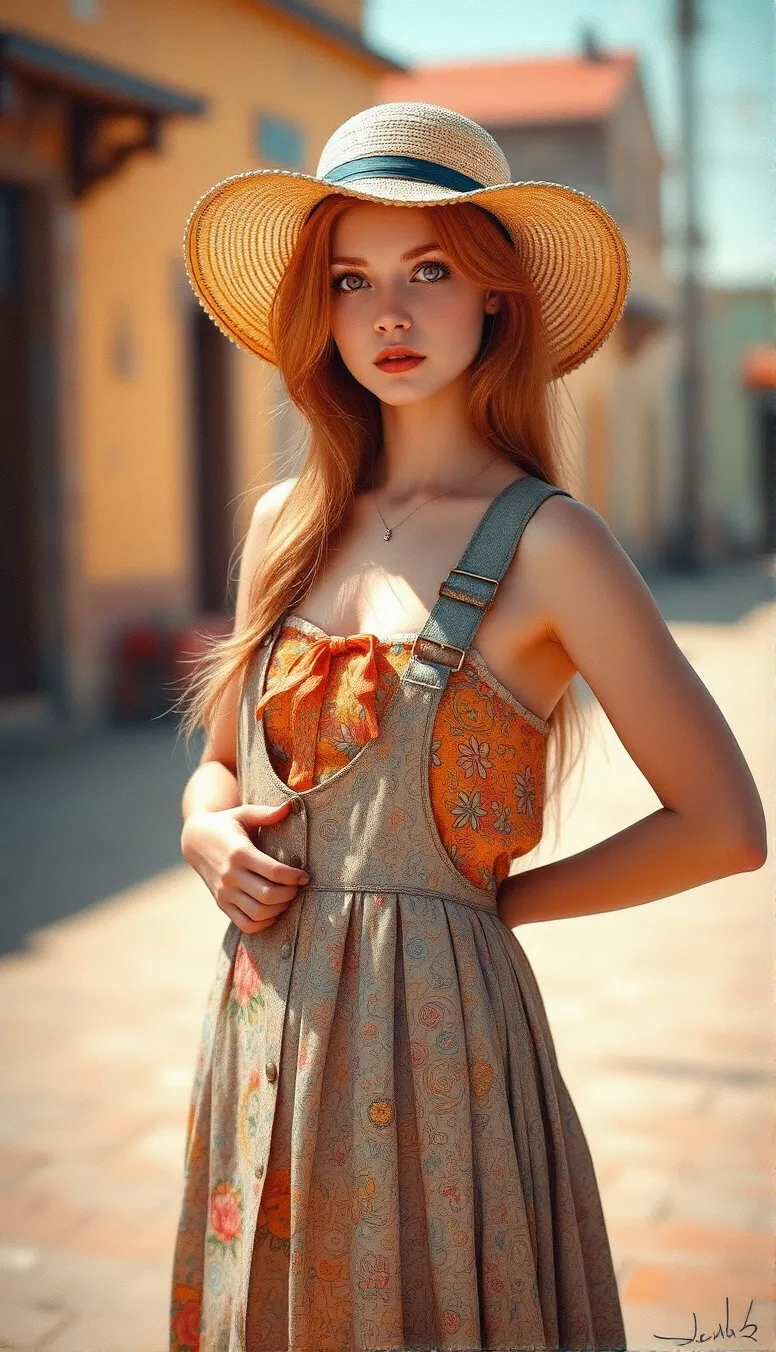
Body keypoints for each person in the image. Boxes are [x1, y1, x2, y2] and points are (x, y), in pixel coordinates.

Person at [168, 102, 766, 1351]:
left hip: (441, 1048)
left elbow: (721, 824)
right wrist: (201, 832)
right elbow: (222, 758)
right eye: (353, 278)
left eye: (428, 272)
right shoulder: (283, 518)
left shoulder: (550, 540)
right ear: (319, 311)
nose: (389, 313)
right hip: (263, 1022)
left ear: (493, 297)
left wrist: (482, 908)